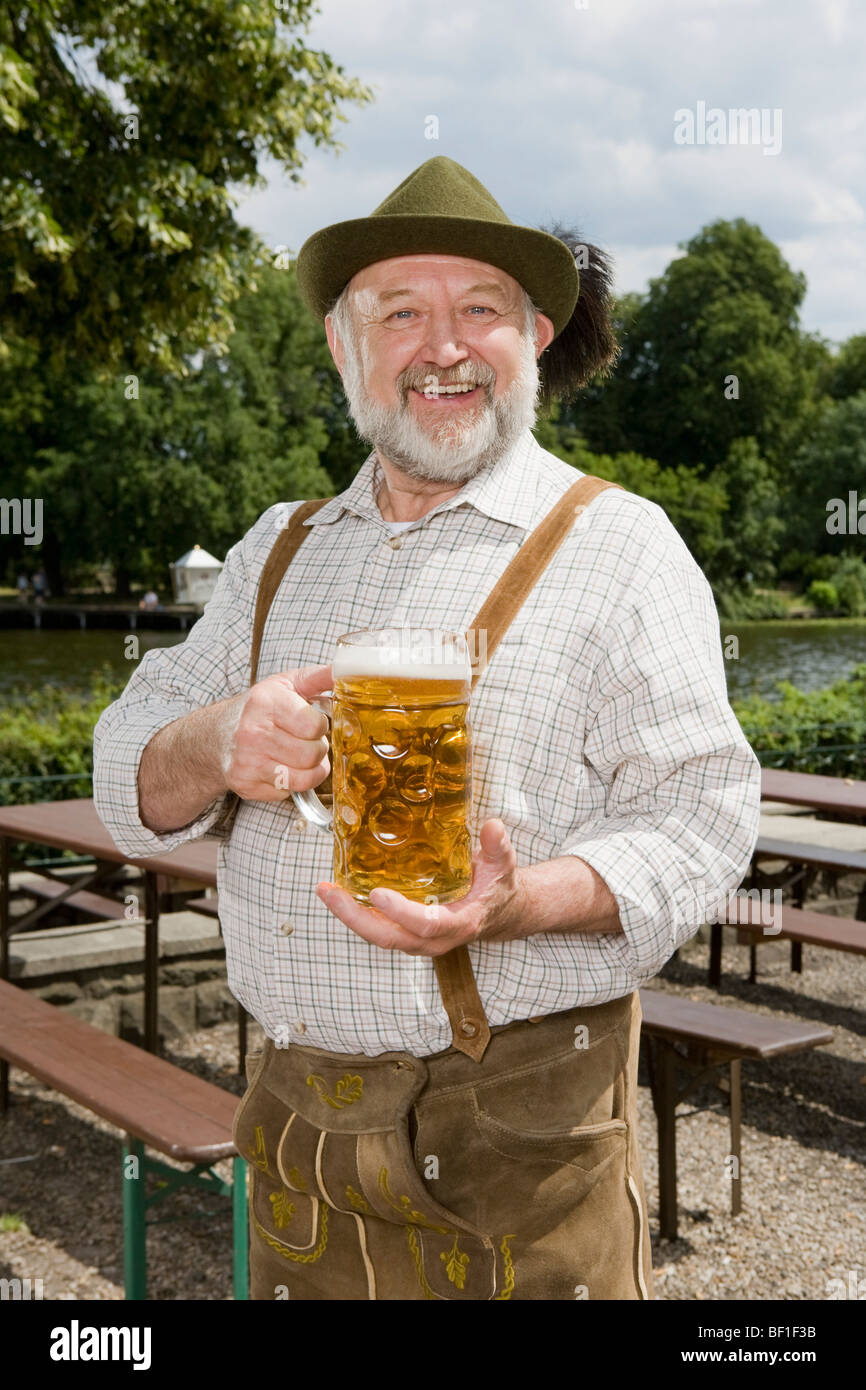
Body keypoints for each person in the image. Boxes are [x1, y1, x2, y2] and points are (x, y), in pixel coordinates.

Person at [93, 157, 761, 1301]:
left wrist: (521, 900)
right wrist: (214, 743)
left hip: (528, 1140)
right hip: (296, 1124)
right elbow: (126, 766)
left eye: (479, 310)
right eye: (398, 310)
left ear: (536, 336)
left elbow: (700, 818)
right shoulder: (276, 546)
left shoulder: (623, 545)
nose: (441, 345)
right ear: (341, 347)